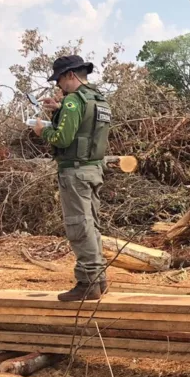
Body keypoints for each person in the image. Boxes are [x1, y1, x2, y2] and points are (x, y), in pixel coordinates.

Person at [33, 55, 112, 302]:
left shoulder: (73, 102)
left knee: (79, 225)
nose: (58, 86)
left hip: (75, 172)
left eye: (59, 79)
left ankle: (87, 282)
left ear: (70, 75)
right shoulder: (98, 100)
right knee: (91, 225)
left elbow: (62, 140)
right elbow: (86, 128)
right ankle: (98, 280)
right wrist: (59, 111)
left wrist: (42, 129)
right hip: (94, 169)